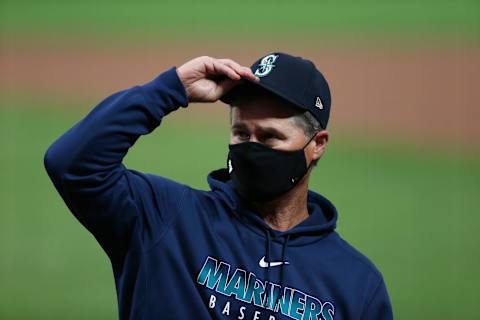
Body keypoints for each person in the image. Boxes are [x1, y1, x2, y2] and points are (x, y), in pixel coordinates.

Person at [44, 52, 393, 319]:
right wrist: (171, 89)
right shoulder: (164, 219)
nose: (251, 147)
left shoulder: (355, 283)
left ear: (317, 144)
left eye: (270, 137)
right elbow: (73, 164)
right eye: (241, 133)